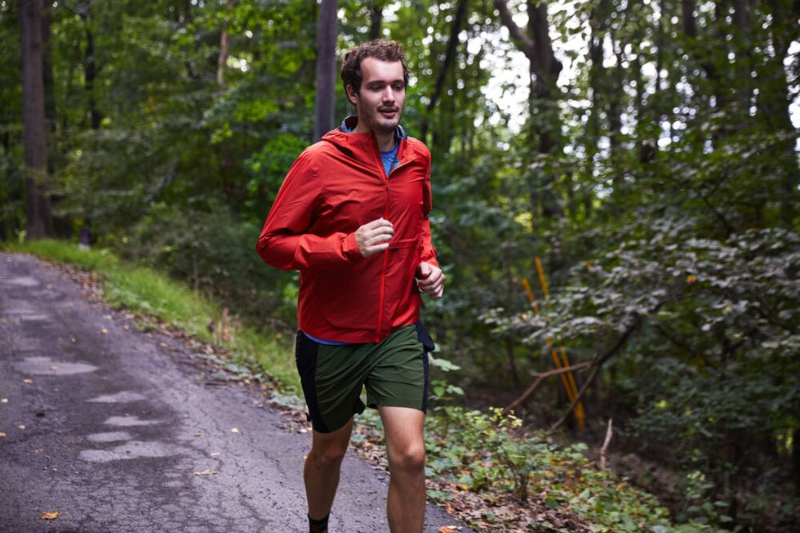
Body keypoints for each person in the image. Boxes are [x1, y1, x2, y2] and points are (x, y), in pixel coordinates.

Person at [255, 40, 444, 533]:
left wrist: (427, 265)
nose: (389, 97)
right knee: (329, 452)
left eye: (397, 86)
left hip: (398, 331)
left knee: (411, 455)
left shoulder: (417, 157)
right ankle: (318, 525)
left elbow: (417, 224)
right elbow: (273, 244)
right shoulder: (319, 161)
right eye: (377, 86)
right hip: (331, 335)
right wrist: (346, 246)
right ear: (353, 93)